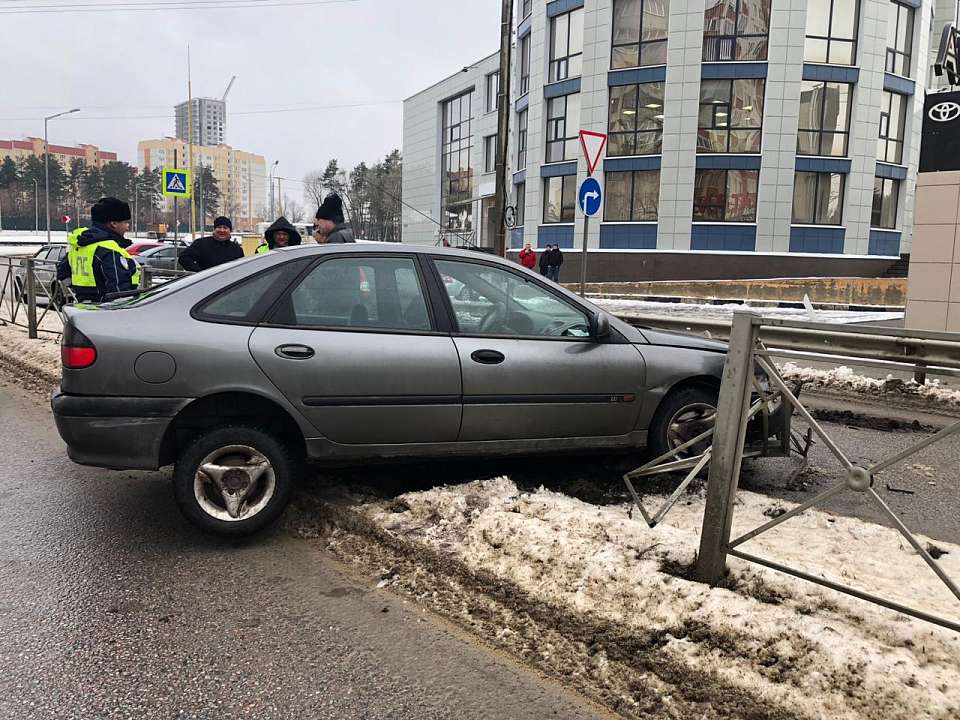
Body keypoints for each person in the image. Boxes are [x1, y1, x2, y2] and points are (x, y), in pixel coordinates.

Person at [66, 197, 140, 303]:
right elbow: (119, 290)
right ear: (114, 223)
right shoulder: (109, 249)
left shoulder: (79, 245)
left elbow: (63, 273)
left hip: (83, 306)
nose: (127, 227)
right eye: (125, 222)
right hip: (105, 311)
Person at [178, 216, 243, 271]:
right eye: (219, 227)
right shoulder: (201, 244)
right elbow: (183, 258)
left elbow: (241, 268)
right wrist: (199, 273)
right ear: (214, 229)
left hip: (229, 284)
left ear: (230, 230)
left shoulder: (237, 249)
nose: (222, 230)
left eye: (225, 228)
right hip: (205, 283)